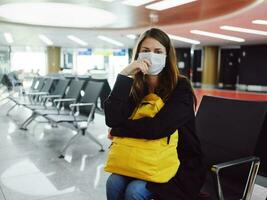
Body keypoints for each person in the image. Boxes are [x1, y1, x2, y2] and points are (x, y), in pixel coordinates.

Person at [104, 28, 206, 200]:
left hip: (179, 165)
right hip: (143, 158)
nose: (151, 56)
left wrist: (118, 130)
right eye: (145, 51)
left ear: (167, 57)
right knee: (113, 182)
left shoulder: (181, 87)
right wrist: (123, 75)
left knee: (135, 191)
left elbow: (156, 128)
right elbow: (112, 119)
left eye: (158, 51)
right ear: (137, 55)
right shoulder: (137, 87)